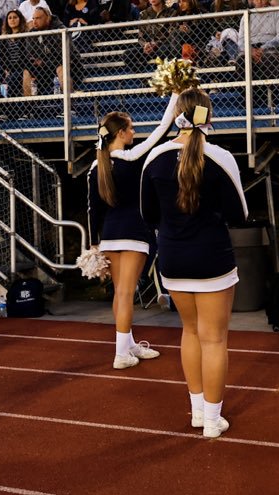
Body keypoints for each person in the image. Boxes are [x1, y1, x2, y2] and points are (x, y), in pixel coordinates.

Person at [140, 87, 248, 439]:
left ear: (176, 115)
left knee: (189, 332)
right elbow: (239, 213)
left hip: (173, 256)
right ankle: (213, 421)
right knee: (214, 339)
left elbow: (148, 214)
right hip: (212, 256)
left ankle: (198, 412)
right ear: (207, 115)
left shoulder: (154, 157)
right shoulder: (219, 156)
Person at [89, 94, 178, 369]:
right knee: (127, 294)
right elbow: (162, 130)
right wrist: (175, 94)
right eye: (131, 128)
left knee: (120, 293)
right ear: (121, 133)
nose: (135, 132)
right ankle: (120, 354)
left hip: (110, 236)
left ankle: (127, 344)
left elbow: (93, 210)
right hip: (135, 234)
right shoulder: (132, 157)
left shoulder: (96, 166)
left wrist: (94, 245)